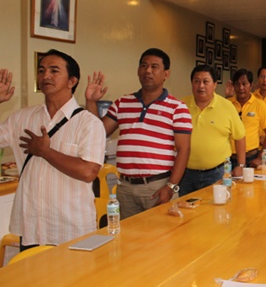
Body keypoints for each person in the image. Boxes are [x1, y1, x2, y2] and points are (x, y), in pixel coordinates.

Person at [0, 50, 105, 250]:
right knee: (33, 281)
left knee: (73, 282)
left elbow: (88, 172)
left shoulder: (88, 123)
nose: (45, 76)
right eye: (41, 71)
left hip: (71, 229)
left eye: (54, 71)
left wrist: (46, 152)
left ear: (71, 81)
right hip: (31, 227)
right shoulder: (22, 118)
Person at [86, 48, 192, 219]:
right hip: (125, 188)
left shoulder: (177, 108)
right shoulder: (122, 103)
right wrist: (91, 102)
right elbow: (98, 132)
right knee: (128, 241)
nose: (148, 70)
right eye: (144, 65)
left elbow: (184, 150)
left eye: (154, 67)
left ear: (166, 74)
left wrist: (171, 187)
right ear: (138, 70)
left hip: (157, 187)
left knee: (161, 240)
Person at [179, 65, 246, 196]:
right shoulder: (181, 105)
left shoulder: (227, 106)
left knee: (216, 211)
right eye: (196, 81)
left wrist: (241, 165)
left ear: (215, 84)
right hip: (185, 173)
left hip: (217, 172)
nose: (201, 86)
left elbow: (240, 137)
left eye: (206, 81)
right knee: (186, 211)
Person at [228, 69, 266, 167]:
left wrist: (260, 156)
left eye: (244, 84)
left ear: (251, 85)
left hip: (251, 158)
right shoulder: (227, 104)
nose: (241, 88)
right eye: (237, 84)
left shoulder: (259, 104)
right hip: (229, 158)